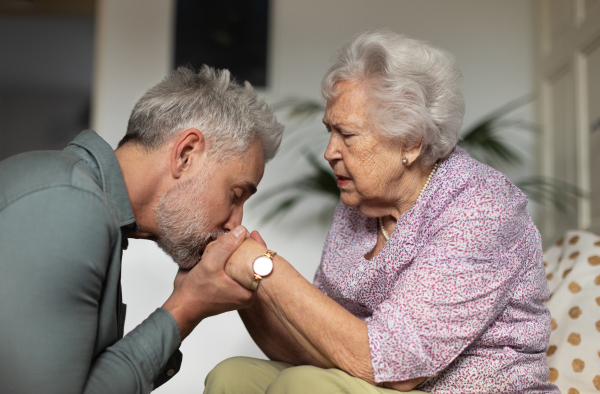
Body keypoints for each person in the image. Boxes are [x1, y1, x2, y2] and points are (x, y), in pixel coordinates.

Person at [205, 29, 559, 393]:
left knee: (307, 386)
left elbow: (396, 366)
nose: (329, 152)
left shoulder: (481, 208)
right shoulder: (361, 205)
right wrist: (244, 282)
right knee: (233, 376)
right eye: (330, 131)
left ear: (410, 141)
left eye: (347, 134)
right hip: (375, 382)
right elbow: (313, 347)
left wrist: (266, 266)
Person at [0, 65, 283, 393]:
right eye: (235, 195)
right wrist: (186, 307)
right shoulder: (69, 203)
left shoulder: (91, 210)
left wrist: (187, 301)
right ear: (186, 154)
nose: (236, 223)